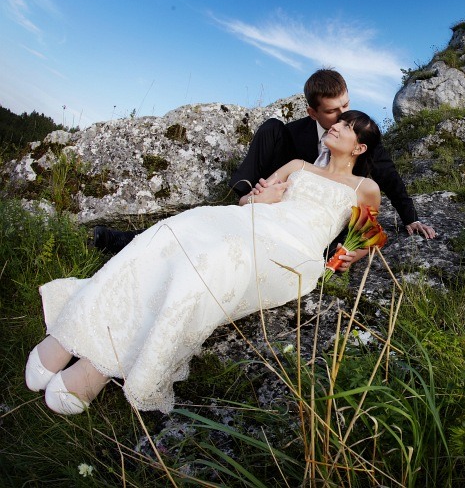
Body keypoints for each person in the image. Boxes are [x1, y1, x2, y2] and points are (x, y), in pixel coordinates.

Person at [25, 111, 382, 415]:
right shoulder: (297, 166)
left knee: (213, 261)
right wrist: (263, 199)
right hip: (252, 222)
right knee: (173, 230)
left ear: (359, 147)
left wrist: (354, 254)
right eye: (340, 121)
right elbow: (248, 204)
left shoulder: (365, 187)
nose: (336, 125)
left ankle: (95, 368)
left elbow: (367, 235)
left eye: (348, 126)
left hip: (292, 252)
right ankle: (69, 337)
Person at [93, 69, 436, 258]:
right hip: (274, 199)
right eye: (333, 112)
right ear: (312, 112)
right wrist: (255, 194)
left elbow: (387, 179)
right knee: (271, 128)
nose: (342, 116)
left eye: (345, 105)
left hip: (314, 230)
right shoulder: (297, 140)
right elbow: (287, 166)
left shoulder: (357, 138)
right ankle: (136, 240)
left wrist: (411, 218)